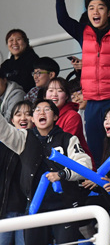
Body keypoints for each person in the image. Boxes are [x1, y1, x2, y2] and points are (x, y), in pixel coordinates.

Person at [54, 0, 110, 166]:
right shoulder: (83, 32)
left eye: (100, 8)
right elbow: (62, 19)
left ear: (109, 12)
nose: (95, 11)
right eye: (91, 8)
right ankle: (97, 179)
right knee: (94, 145)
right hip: (92, 101)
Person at [0, 99, 92, 244]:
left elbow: (85, 165)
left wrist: (62, 174)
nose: (41, 112)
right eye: (37, 110)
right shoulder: (24, 138)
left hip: (65, 207)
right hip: (35, 207)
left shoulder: (68, 139)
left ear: (55, 116)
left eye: (47, 109)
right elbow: (3, 130)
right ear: (33, 118)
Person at [39, 77, 93, 163]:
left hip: (76, 165)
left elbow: (63, 145)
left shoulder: (72, 116)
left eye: (59, 91)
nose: (54, 94)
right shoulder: (39, 116)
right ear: (45, 96)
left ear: (67, 96)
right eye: (51, 90)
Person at [0, 101, 32, 245]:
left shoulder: (41, 144)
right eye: (18, 114)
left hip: (28, 210)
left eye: (28, 114)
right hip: (4, 209)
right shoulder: (3, 144)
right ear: (12, 120)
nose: (23, 118)